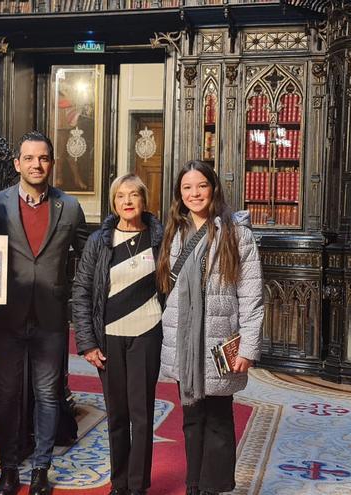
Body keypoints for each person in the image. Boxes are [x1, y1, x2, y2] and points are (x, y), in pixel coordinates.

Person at [156, 160, 264, 495]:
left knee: (218, 418)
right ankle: (193, 484)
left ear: (213, 188)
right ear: (179, 194)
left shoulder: (237, 233)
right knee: (191, 418)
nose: (194, 193)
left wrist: (248, 347)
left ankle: (213, 486)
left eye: (200, 185)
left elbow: (252, 294)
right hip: (185, 342)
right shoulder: (174, 232)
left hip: (219, 339)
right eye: (186, 188)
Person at [0, 131, 88, 495]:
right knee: (8, 396)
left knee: (48, 396)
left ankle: (41, 471)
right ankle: (9, 469)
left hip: (50, 318)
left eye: (43, 158)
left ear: (51, 163)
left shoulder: (70, 207)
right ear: (17, 163)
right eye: (29, 158)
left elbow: (88, 258)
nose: (36, 164)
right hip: (6, 316)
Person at [71, 173, 164, 495]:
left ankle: (137, 487)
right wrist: (87, 343)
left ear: (143, 200)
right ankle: (119, 484)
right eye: (121, 196)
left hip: (147, 333)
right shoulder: (100, 241)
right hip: (109, 337)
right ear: (114, 202)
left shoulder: (159, 238)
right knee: (117, 416)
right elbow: (82, 291)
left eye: (134, 195)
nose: (127, 201)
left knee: (142, 415)